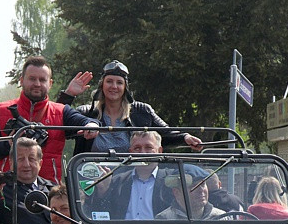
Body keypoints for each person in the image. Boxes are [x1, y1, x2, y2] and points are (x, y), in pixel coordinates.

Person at [0, 56, 99, 184]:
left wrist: (92, 125)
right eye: (32, 79)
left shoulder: (62, 111)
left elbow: (87, 122)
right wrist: (9, 144)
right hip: (8, 193)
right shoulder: (2, 110)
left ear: (50, 83)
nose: (37, 84)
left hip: (49, 194)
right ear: (22, 80)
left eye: (42, 80)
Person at [57, 60, 203, 155]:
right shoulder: (86, 113)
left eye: (119, 83)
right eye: (109, 81)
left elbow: (166, 133)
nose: (114, 87)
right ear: (102, 85)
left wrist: (185, 137)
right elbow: (57, 122)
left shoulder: (142, 111)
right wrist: (68, 95)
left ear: (125, 87)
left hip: (131, 180)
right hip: (93, 181)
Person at [86, 131, 174, 220]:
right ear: (130, 152)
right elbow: (101, 213)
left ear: (160, 151)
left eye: (148, 147)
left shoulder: (172, 180)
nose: (143, 153)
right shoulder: (117, 181)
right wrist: (103, 192)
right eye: (137, 148)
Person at [156, 165, 224, 220]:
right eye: (194, 186)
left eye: (203, 184)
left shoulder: (220, 218)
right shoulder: (165, 219)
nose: (201, 190)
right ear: (176, 192)